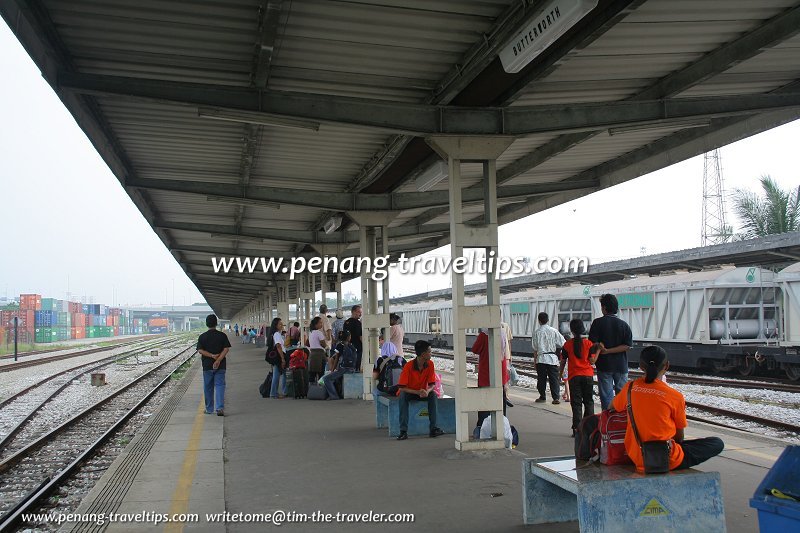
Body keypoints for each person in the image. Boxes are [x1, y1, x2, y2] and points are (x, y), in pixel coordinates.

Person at [611, 346, 724, 472]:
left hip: (636, 455)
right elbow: (679, 437)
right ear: (667, 366)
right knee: (716, 443)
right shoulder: (674, 396)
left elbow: (612, 407)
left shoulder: (630, 388)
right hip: (665, 459)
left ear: (641, 367)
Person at [589, 294, 634, 410]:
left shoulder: (597, 323)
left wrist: (605, 350)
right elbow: (627, 346)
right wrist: (610, 350)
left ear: (604, 308)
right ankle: (621, 420)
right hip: (621, 366)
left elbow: (592, 344)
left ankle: (608, 420)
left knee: (606, 396)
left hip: (604, 366)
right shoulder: (624, 325)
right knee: (622, 396)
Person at [395, 340, 444, 440]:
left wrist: (428, 391)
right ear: (423, 354)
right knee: (402, 396)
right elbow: (402, 387)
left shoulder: (430, 364)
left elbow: (432, 385)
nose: (431, 353)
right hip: (410, 392)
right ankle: (403, 431)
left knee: (433, 395)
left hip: (422, 392)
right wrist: (417, 392)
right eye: (429, 351)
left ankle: (433, 429)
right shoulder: (408, 366)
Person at [559, 319, 600, 436]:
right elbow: (592, 361)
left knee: (576, 403)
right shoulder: (589, 344)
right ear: (583, 329)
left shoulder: (567, 345)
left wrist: (560, 374)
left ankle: (577, 429)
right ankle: (589, 429)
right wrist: (598, 351)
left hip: (574, 377)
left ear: (571, 330)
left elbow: (562, 361)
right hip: (587, 376)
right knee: (589, 402)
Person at [472, 329, 510, 432]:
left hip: (486, 373)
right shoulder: (502, 333)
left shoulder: (484, 335)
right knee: (500, 403)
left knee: (484, 404)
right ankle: (500, 429)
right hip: (500, 373)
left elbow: (475, 349)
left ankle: (482, 429)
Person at [196, 314, 231, 416]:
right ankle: (219, 408)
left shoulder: (202, 337)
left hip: (207, 366)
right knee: (220, 386)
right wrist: (219, 359)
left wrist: (211, 356)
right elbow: (226, 348)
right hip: (220, 366)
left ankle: (209, 409)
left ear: (207, 324)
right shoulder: (222, 335)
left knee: (208, 387)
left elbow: (200, 350)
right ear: (216, 323)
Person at [532, 312, 565, 404]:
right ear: (548, 320)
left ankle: (542, 396)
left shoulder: (536, 332)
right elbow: (563, 343)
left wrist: (535, 361)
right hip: (552, 358)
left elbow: (535, 349)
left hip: (541, 358)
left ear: (539, 321)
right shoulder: (554, 331)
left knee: (541, 379)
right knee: (554, 378)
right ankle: (556, 398)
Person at [323, 330, 358, 400]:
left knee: (326, 378)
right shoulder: (351, 345)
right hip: (352, 369)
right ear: (348, 337)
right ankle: (339, 394)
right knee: (336, 378)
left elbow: (336, 359)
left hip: (344, 369)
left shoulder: (339, 345)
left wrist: (332, 370)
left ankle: (334, 396)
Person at [267, 317, 287, 399]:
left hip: (276, 357)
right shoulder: (276, 334)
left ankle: (280, 392)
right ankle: (274, 393)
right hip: (278, 357)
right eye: (280, 324)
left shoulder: (275, 334)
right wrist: (282, 359)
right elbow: (278, 346)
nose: (282, 325)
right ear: (276, 325)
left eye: (282, 323)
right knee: (277, 375)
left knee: (280, 374)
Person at [308, 316, 328, 383]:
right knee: (321, 374)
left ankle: (311, 390)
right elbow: (323, 344)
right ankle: (320, 390)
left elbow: (307, 343)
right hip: (320, 355)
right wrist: (326, 346)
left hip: (312, 354)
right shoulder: (319, 333)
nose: (321, 324)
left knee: (312, 374)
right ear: (315, 324)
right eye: (320, 323)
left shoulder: (311, 333)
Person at [343, 305, 363, 370]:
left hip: (347, 348)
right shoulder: (357, 323)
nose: (360, 314)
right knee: (356, 366)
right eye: (359, 312)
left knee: (349, 366)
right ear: (353, 312)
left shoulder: (346, 322)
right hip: (357, 348)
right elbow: (360, 336)